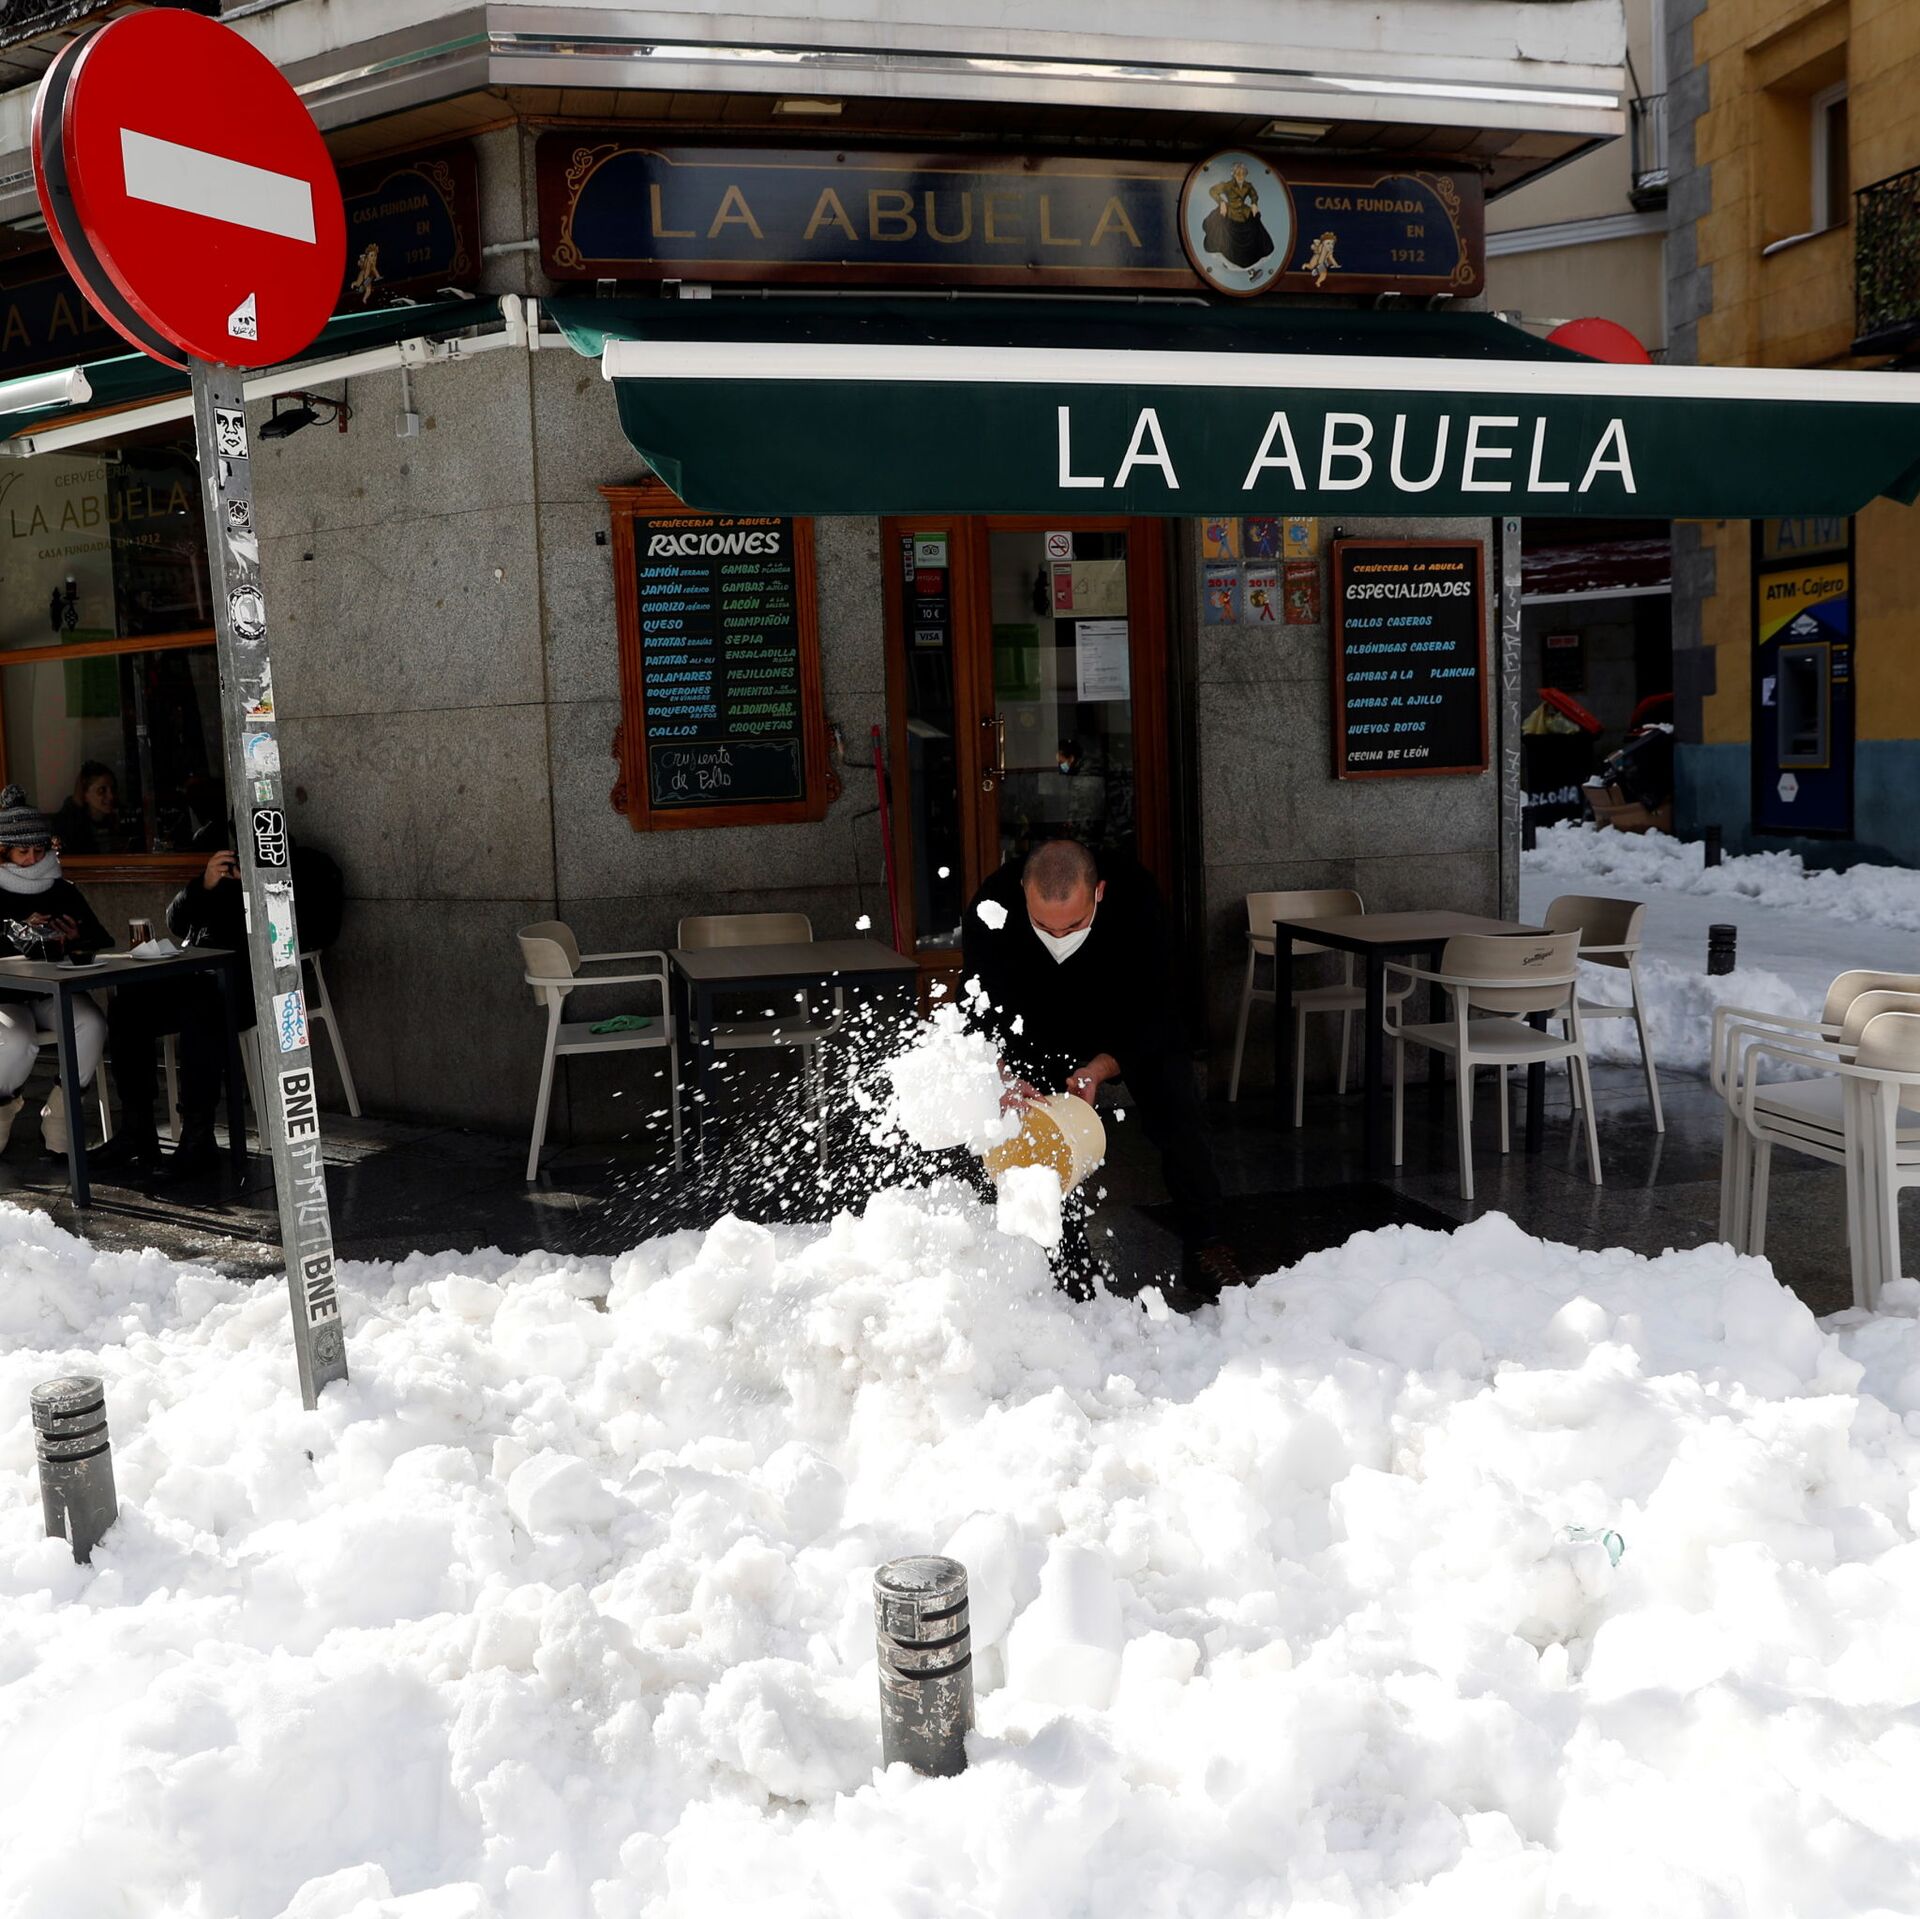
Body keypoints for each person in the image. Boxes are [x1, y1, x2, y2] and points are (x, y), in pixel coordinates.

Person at [962, 838, 1243, 1305]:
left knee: (1180, 1114)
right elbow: (978, 1003)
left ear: (1099, 892)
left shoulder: (1137, 897)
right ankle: (1061, 1254)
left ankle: (1206, 1244)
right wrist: (1004, 1072)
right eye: (1043, 925)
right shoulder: (993, 906)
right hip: (1036, 1025)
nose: (1058, 936)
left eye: (1073, 925)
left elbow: (1156, 1004)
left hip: (1125, 1018)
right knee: (1034, 1132)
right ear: (1023, 893)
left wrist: (1101, 1067)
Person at [97, 832, 344, 1183]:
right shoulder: (224, 876)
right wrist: (205, 883)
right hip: (196, 978)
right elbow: (176, 922)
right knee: (128, 1007)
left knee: (201, 1009)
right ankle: (137, 1128)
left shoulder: (307, 870)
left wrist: (259, 887)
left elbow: (318, 930)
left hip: (253, 988)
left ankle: (199, 1135)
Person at [0, 785, 109, 1155]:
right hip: (5, 996)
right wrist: (13, 932)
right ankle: (2, 1110)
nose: (32, 859)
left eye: (39, 850)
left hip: (53, 990)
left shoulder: (61, 888)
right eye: (23, 852)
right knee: (16, 1040)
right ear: (4, 852)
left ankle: (61, 1116)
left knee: (92, 1024)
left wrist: (77, 937)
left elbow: (98, 939)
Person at [51, 761, 119, 856]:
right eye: (101, 790)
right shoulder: (68, 825)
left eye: (113, 789)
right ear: (84, 794)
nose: (111, 796)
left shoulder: (118, 822)